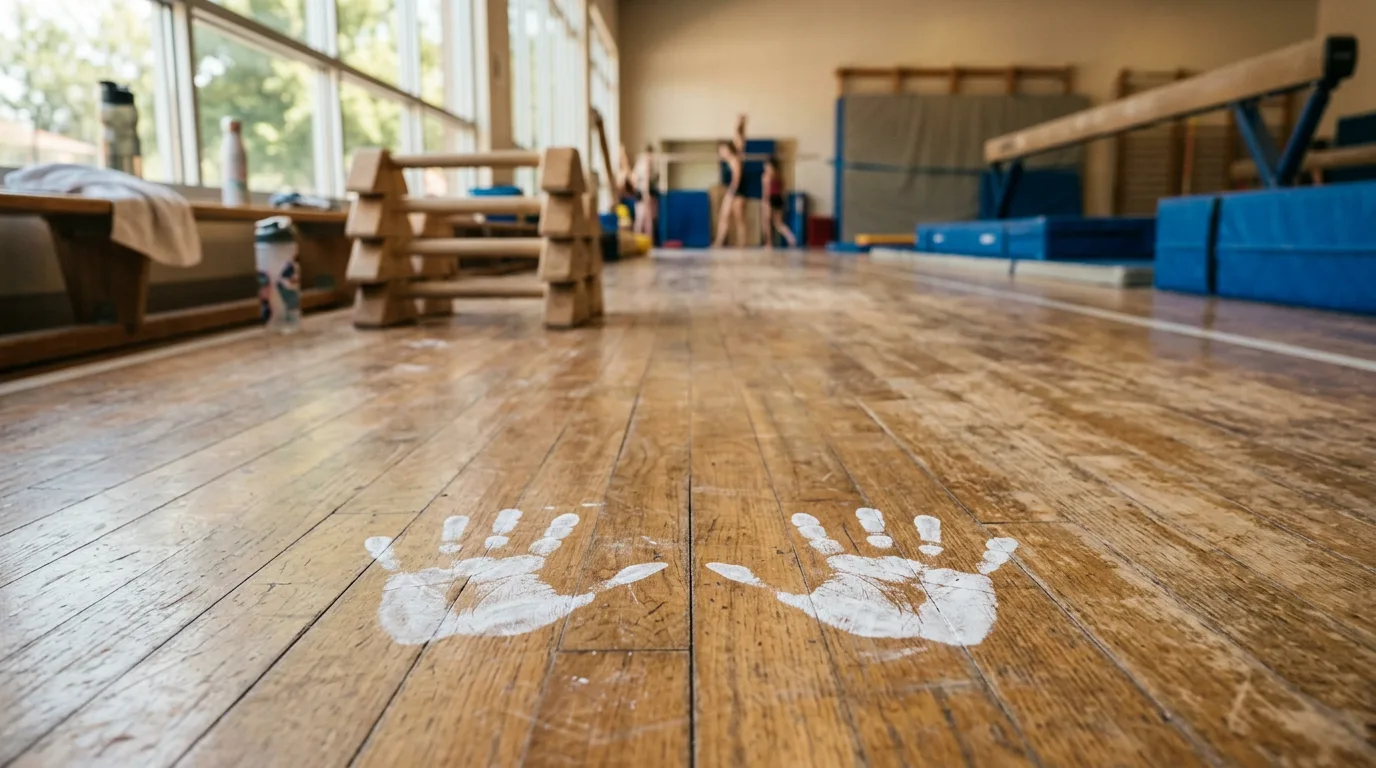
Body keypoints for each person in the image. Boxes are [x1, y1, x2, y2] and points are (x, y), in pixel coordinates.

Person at [713, 114, 748, 248]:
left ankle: (742, 244)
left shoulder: (735, 158)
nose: (722, 152)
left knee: (739, 218)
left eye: (724, 149)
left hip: (737, 190)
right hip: (732, 190)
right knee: (724, 216)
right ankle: (718, 242)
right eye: (720, 150)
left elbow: (736, 178)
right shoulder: (727, 160)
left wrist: (739, 124)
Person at [761, 156, 797, 248]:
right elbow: (783, 189)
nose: (765, 167)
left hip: (770, 198)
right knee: (778, 223)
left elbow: (766, 191)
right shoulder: (779, 174)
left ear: (769, 165)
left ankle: (769, 243)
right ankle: (790, 236)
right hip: (779, 199)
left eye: (766, 165)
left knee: (767, 222)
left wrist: (765, 202)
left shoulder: (766, 176)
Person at [632, 144, 659, 237]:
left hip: (640, 191)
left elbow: (635, 179)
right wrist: (646, 194)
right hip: (643, 192)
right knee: (645, 219)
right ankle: (647, 239)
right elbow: (645, 179)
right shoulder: (646, 161)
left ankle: (641, 239)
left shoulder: (639, 162)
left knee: (642, 218)